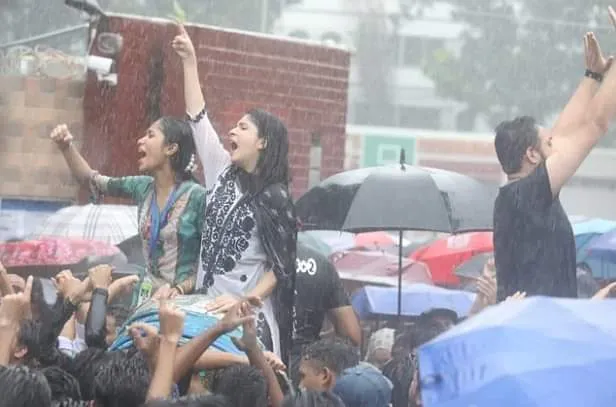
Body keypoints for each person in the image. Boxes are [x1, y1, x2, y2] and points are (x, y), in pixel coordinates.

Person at [173, 23, 297, 362]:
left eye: (243, 127)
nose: (232, 130)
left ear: (263, 142)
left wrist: (244, 301)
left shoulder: (276, 197)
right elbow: (198, 119)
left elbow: (282, 268)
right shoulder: (220, 169)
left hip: (246, 320)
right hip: (205, 308)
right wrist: (189, 62)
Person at [493, 28, 616, 300]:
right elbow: (594, 125)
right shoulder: (524, 196)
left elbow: (560, 135)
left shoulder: (522, 196)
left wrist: (593, 76)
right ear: (532, 155)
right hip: (536, 333)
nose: (557, 147)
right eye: (548, 145)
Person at [50, 118, 206, 300]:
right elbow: (91, 181)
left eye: (150, 135)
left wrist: (180, 289)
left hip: (184, 303)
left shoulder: (198, 197)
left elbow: (212, 260)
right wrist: (66, 147)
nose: (141, 140)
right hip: (147, 298)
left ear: (170, 148)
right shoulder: (143, 187)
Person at [290, 241, 361, 383]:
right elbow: (352, 335)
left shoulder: (250, 260)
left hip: (254, 364)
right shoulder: (321, 263)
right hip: (307, 370)